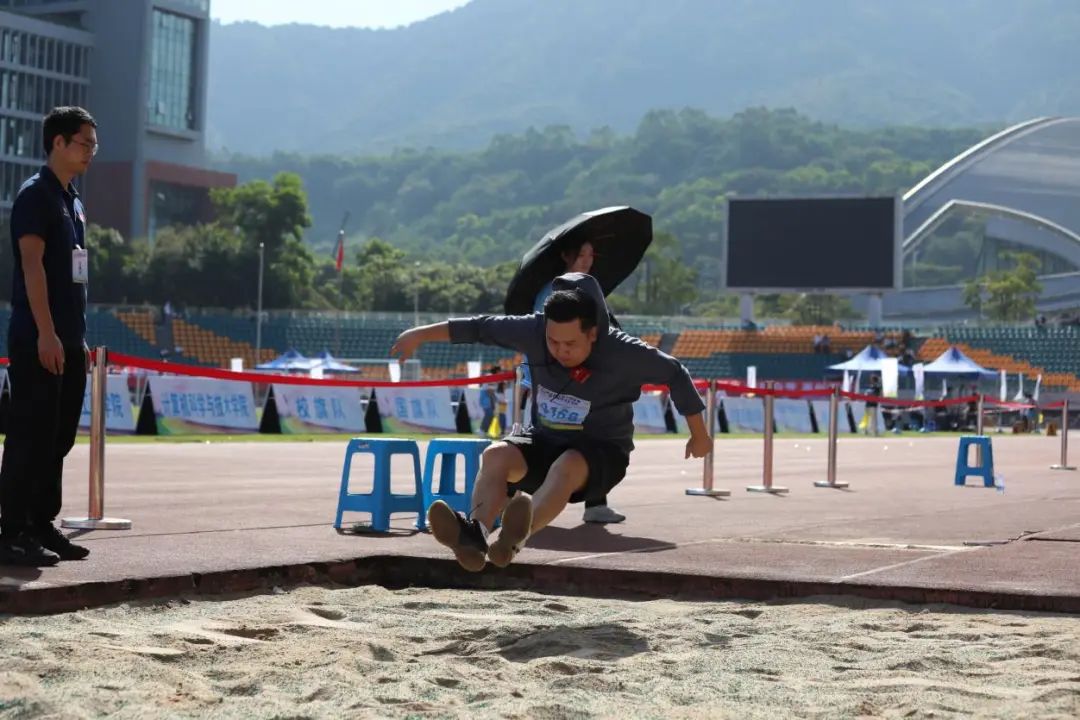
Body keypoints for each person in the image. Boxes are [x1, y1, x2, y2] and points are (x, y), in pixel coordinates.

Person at [391, 273, 712, 572]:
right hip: (545, 441)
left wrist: (699, 434)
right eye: (552, 342)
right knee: (495, 455)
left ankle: (514, 538)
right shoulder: (532, 330)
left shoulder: (624, 351)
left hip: (602, 453)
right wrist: (419, 334)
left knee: (569, 464)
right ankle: (474, 535)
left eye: (570, 344)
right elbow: (480, 327)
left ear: (593, 332)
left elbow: (675, 373)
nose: (560, 351)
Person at [0, 107, 97, 566]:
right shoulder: (35, 196)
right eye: (84, 143)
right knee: (29, 435)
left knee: (58, 438)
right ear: (57, 142)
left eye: (94, 145)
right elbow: (32, 267)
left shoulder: (72, 200)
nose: (91, 152)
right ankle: (12, 529)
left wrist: (74, 337)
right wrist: (46, 333)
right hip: (39, 336)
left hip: (69, 338)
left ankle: (42, 522)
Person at [527, 239, 626, 524]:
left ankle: (595, 501)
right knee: (556, 437)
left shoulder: (590, 289)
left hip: (587, 379)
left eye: (590, 254)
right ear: (565, 256)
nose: (586, 260)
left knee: (593, 436)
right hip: (559, 379)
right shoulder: (554, 292)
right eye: (580, 254)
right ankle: (530, 503)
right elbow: (544, 338)